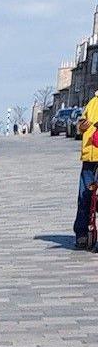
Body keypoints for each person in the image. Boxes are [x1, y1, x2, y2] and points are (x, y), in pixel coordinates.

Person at [76, 90, 98, 249]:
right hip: (90, 156)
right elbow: (81, 126)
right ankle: (82, 233)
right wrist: (82, 126)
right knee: (85, 196)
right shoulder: (93, 102)